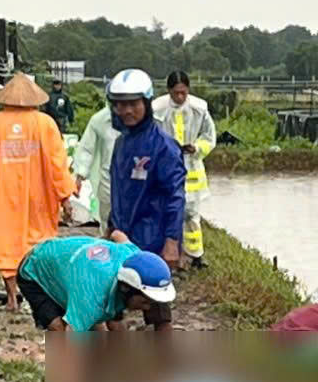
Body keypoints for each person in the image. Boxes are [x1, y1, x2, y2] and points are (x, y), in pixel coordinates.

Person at [0, 71, 77, 311]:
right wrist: (65, 196)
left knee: (6, 244)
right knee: (38, 244)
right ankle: (40, 297)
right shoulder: (45, 124)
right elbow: (58, 164)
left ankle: (12, 297)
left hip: (1, 195)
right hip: (39, 197)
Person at [105, 68, 186, 269]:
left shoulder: (163, 146)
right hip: (123, 238)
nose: (127, 111)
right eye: (120, 104)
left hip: (153, 241)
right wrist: (110, 227)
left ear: (147, 103)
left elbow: (175, 196)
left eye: (133, 104)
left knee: (148, 298)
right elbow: (118, 192)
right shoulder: (121, 143)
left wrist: (172, 242)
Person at [17, 236, 175, 332]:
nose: (148, 308)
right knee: (59, 329)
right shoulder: (91, 297)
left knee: (110, 329)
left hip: (74, 268)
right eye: (145, 302)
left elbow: (118, 235)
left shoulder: (136, 257)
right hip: (36, 269)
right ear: (126, 288)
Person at [152, 71, 216, 268]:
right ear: (169, 90)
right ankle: (171, 256)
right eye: (176, 93)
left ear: (188, 90)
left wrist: (196, 148)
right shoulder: (157, 109)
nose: (180, 97)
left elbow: (209, 136)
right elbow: (151, 137)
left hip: (192, 168)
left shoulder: (199, 108)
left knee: (191, 214)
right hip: (167, 167)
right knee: (169, 213)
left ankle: (196, 255)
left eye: (183, 93)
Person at [72, 102, 120, 224]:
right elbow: (87, 149)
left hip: (137, 180)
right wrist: (79, 176)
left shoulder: (145, 118)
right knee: (107, 221)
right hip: (108, 180)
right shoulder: (99, 120)